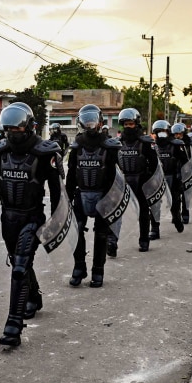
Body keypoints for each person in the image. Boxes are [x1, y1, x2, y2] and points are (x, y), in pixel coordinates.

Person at [0, 102, 62, 346]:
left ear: (29, 127)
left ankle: (13, 325)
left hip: (32, 216)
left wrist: (56, 220)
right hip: (7, 218)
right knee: (19, 262)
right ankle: (33, 296)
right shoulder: (0, 152)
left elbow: (56, 190)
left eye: (17, 130)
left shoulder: (44, 152)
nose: (13, 134)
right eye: (8, 130)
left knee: (20, 266)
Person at [65, 104, 120, 288]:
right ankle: (79, 268)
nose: (90, 125)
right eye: (87, 122)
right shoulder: (77, 147)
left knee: (101, 235)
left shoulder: (109, 147)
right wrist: (67, 196)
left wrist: (111, 199)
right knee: (77, 230)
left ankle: (98, 270)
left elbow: (114, 176)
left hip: (102, 195)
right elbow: (72, 173)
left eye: (93, 121)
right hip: (81, 194)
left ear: (100, 122)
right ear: (81, 123)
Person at [116, 108, 159, 252]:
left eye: (131, 124)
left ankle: (144, 240)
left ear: (136, 124)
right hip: (123, 181)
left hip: (141, 180)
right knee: (116, 213)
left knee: (143, 212)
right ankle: (112, 242)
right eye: (125, 124)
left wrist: (148, 179)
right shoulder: (117, 143)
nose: (128, 127)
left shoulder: (145, 142)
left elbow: (154, 164)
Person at [153, 120, 189, 235]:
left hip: (173, 177)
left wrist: (180, 173)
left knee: (174, 202)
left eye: (163, 131)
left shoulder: (176, 144)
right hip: (157, 178)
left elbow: (185, 162)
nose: (161, 134)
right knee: (155, 204)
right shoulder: (153, 146)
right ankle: (154, 229)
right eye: (158, 132)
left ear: (168, 132)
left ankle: (177, 218)